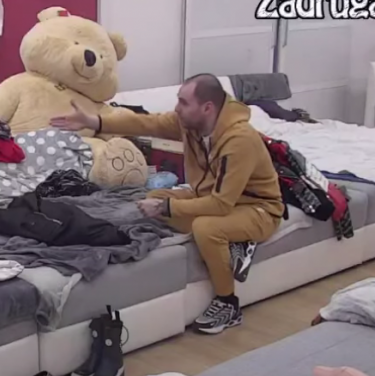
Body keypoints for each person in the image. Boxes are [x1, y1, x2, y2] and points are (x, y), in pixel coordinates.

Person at [51, 73, 283, 335]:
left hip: (258, 208)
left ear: (207, 108)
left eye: (184, 102)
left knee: (206, 228)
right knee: (155, 197)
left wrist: (167, 208)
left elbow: (220, 205)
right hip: (216, 199)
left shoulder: (239, 140)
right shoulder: (191, 125)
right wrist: (95, 121)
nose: (177, 108)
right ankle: (235, 239)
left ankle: (228, 303)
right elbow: (147, 123)